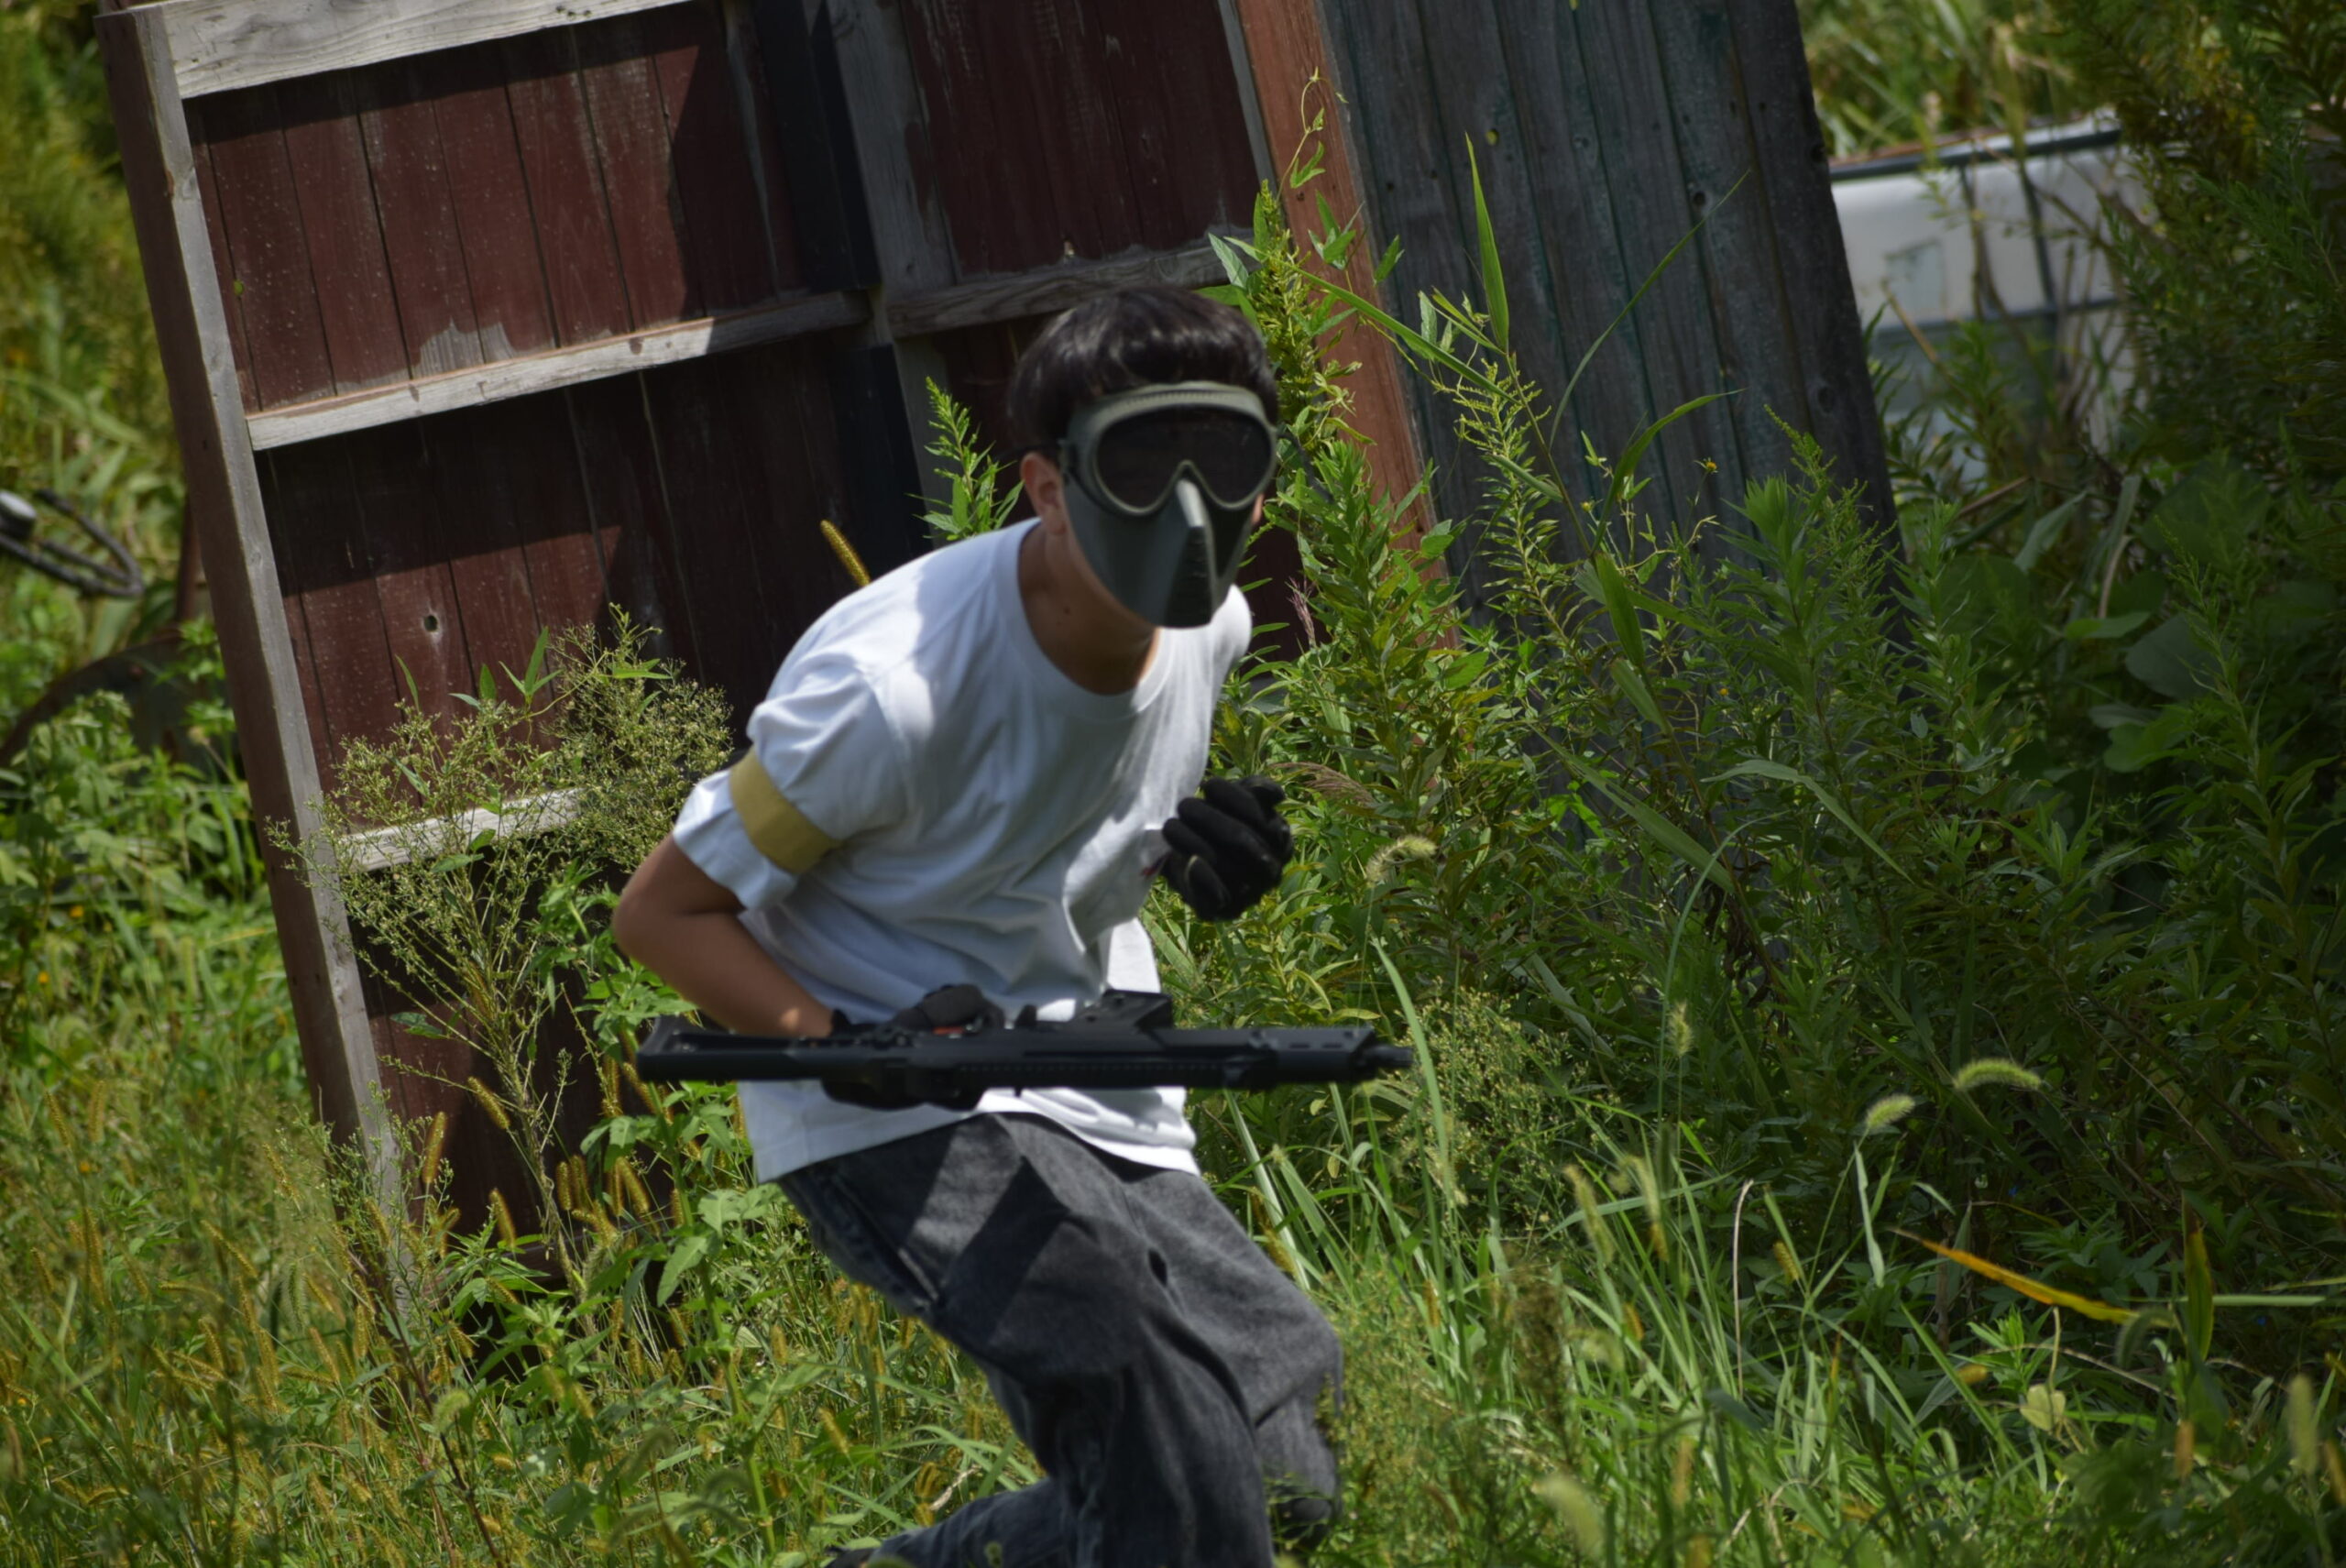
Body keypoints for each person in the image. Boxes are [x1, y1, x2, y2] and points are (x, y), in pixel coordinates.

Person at [612, 285, 1343, 1568]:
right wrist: (841, 1042)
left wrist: (1188, 863)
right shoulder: (893, 692)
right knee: (1143, 1391)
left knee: (1276, 1465)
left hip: (1076, 1056)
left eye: (1221, 462)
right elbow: (664, 912)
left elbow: (1045, 838)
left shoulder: (1209, 627)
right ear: (1047, 487)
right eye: (1138, 466)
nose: (1187, 513)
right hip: (893, 1098)